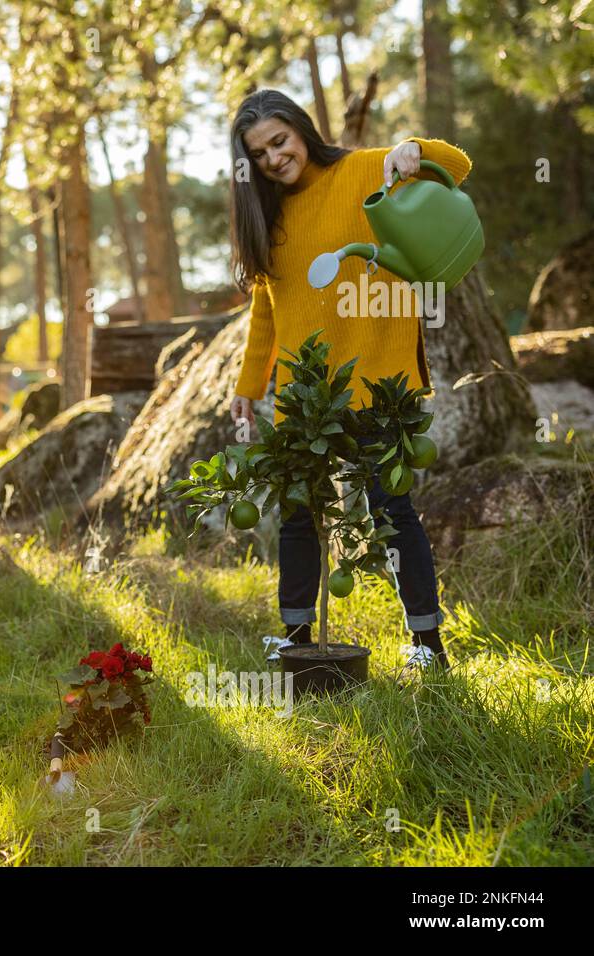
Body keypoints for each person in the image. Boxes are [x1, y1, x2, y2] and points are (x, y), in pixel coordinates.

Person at [226, 89, 468, 670]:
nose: (273, 159)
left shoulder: (365, 169)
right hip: (305, 397)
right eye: (258, 154)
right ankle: (296, 638)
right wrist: (248, 384)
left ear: (302, 130)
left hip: (376, 383)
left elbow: (456, 167)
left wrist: (412, 149)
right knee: (298, 513)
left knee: (392, 511)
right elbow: (268, 310)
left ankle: (426, 645)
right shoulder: (271, 217)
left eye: (279, 142)